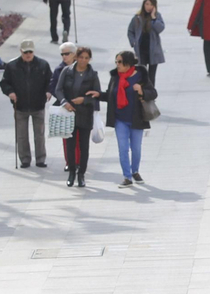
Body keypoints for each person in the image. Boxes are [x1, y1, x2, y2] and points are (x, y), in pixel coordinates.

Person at [0, 40, 52, 169]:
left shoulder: (43, 65)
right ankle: (25, 159)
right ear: (21, 51)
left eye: (30, 52)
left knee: (39, 134)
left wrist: (48, 91)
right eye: (25, 52)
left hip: (38, 104)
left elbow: (50, 81)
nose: (28, 54)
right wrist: (10, 92)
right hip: (20, 106)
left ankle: (40, 159)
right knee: (22, 135)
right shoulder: (12, 66)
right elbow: (4, 83)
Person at [57, 45, 101, 188]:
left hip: (85, 114)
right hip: (69, 113)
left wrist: (85, 100)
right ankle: (71, 172)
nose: (83, 60)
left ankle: (81, 174)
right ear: (76, 57)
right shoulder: (67, 71)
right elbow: (58, 89)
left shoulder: (92, 74)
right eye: (81, 57)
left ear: (90, 59)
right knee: (70, 145)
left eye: (86, 58)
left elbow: (97, 95)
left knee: (84, 146)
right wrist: (64, 102)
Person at [106, 51, 150, 187]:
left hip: (137, 119)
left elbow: (153, 93)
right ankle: (127, 176)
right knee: (123, 148)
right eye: (116, 62)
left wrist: (142, 91)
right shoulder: (115, 77)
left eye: (120, 62)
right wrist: (96, 95)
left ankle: (135, 171)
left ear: (128, 63)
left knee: (136, 148)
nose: (117, 65)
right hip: (120, 119)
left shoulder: (141, 76)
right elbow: (109, 95)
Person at [49, 41, 78, 170]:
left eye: (67, 54)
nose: (64, 57)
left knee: (80, 137)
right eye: (62, 54)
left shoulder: (83, 67)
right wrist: (64, 101)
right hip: (65, 107)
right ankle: (69, 162)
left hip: (80, 107)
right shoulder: (59, 70)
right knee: (66, 136)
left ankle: (79, 161)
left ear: (74, 54)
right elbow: (54, 87)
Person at [128, 0, 167, 89]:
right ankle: (143, 93)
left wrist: (153, 18)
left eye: (151, 4)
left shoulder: (157, 16)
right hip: (141, 49)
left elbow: (160, 28)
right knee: (142, 73)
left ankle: (151, 93)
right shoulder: (137, 17)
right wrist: (133, 42)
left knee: (152, 75)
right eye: (147, 4)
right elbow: (130, 31)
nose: (148, 6)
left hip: (153, 50)